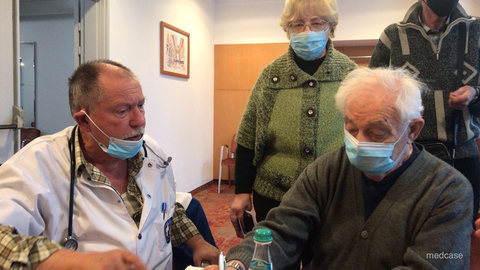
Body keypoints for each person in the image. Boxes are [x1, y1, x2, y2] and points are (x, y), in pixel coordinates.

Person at [206, 68, 473, 270]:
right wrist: (238, 264)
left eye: (377, 132)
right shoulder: (326, 170)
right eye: (352, 129)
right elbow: (281, 229)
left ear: (413, 129)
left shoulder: (448, 191)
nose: (360, 142)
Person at [0, 60, 219, 269]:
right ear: (84, 121)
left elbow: (166, 210)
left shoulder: (151, 152)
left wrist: (197, 242)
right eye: (122, 111)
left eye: (140, 106)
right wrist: (74, 263)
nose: (139, 120)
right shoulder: (37, 163)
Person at [230, 0, 356, 243]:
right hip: (274, 197)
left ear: (330, 27)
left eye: (316, 23)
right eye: (298, 24)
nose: (307, 31)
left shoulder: (350, 76)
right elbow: (247, 137)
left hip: (332, 196)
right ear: (288, 29)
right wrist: (242, 191)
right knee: (275, 261)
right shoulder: (270, 76)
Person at [369, 0, 480, 222]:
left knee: (460, 232)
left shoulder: (475, 31)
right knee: (407, 229)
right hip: (409, 157)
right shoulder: (393, 36)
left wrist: (475, 94)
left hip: (463, 156)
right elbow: (373, 93)